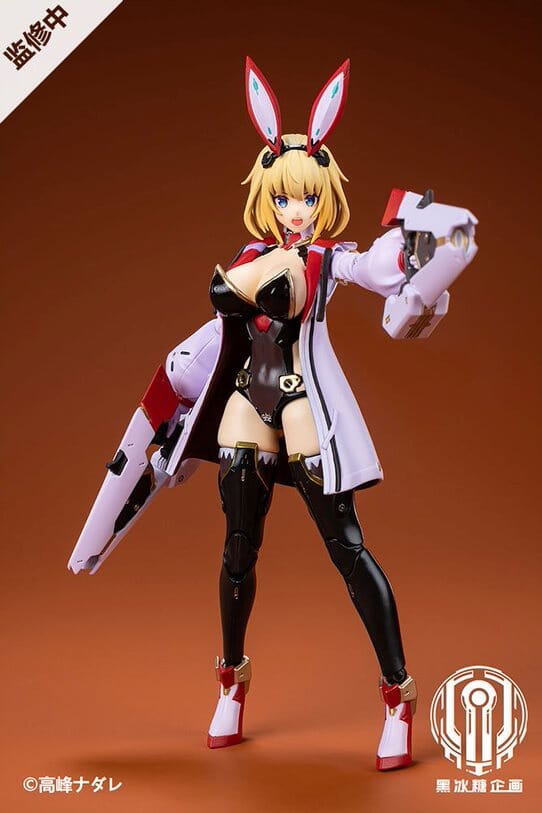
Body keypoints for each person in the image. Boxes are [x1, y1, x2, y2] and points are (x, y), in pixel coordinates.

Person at [69, 57, 477, 771]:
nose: (296, 210)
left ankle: (397, 695)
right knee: (237, 548)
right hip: (248, 402)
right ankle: (231, 680)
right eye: (285, 198)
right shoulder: (249, 258)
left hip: (306, 403)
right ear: (266, 197)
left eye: (308, 198)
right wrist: (176, 412)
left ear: (324, 199)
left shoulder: (329, 261)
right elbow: (218, 322)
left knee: (346, 546)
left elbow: (390, 270)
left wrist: (424, 248)